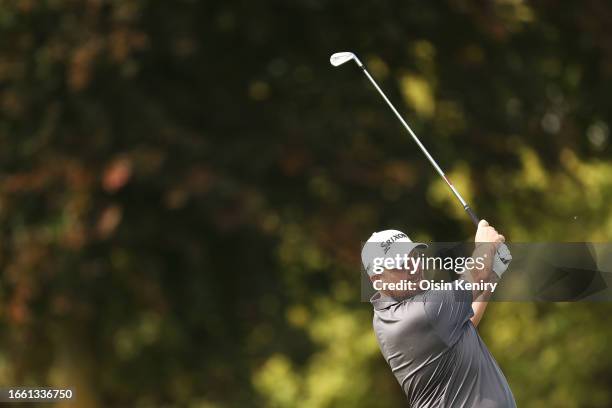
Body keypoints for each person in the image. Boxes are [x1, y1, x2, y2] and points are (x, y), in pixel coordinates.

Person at [361, 220, 516, 407]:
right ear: (377, 280)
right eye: (400, 264)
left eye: (414, 257)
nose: (413, 268)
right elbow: (476, 275)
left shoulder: (389, 314)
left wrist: (493, 273)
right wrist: (485, 245)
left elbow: (465, 322)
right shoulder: (420, 313)